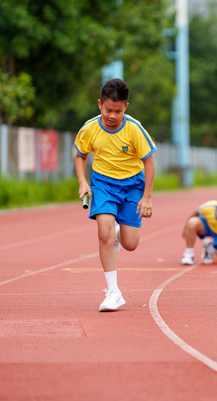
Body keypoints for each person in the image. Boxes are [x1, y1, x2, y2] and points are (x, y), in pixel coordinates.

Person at [75, 78, 156, 312]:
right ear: (100, 104)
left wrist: (147, 197)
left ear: (126, 108)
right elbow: (80, 156)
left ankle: (118, 233)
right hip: (102, 184)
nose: (112, 115)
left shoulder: (134, 128)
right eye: (108, 110)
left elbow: (149, 163)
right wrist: (83, 183)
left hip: (133, 186)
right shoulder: (90, 128)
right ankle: (113, 292)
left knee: (130, 244)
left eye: (118, 111)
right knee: (103, 233)